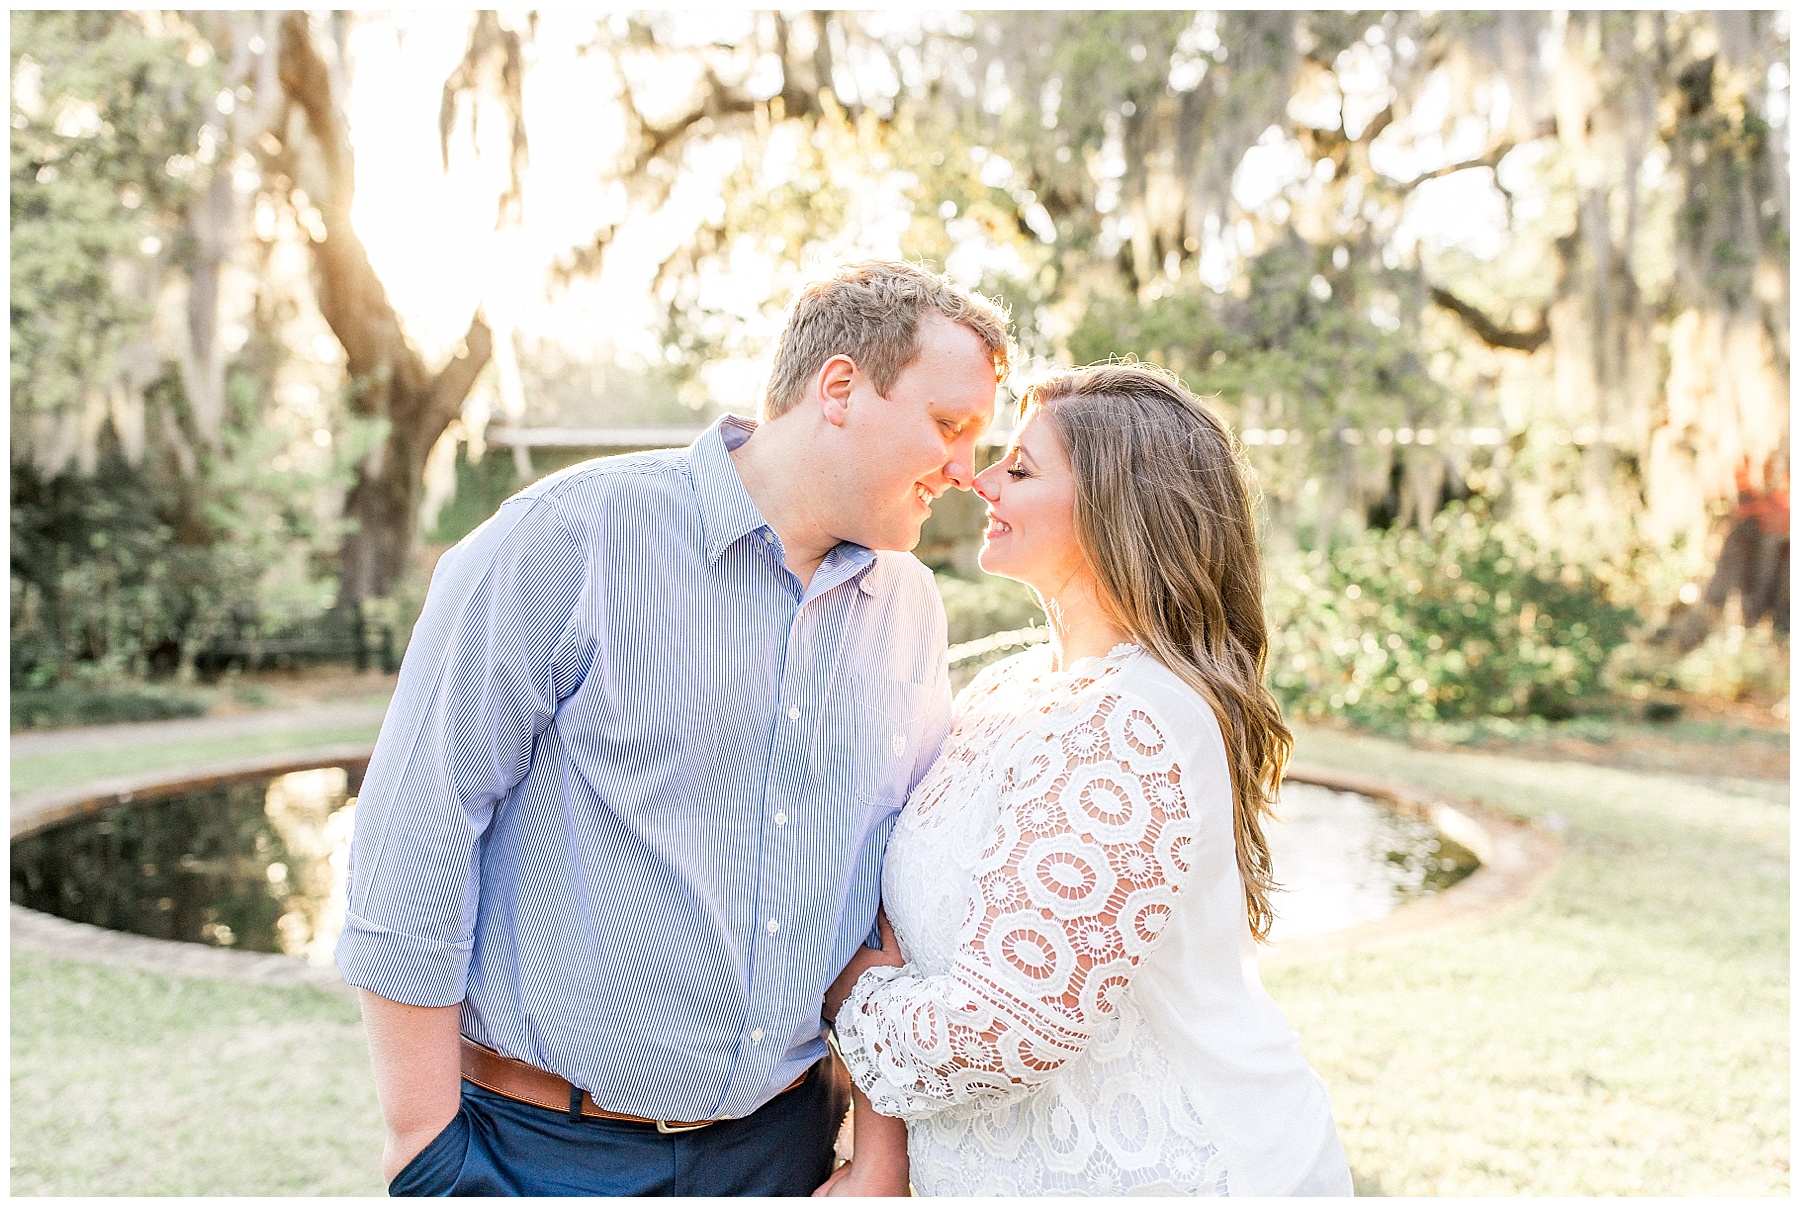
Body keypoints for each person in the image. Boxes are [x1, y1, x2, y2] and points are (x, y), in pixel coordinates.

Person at [334, 260, 1011, 1196]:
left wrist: (877, 1155)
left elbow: (887, 891)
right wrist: (426, 1146)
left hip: (787, 1151)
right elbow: (419, 826)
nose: (965, 471)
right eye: (950, 427)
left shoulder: (908, 608)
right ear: (842, 387)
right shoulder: (567, 539)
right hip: (539, 1153)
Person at [818, 363, 1353, 1196]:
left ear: (1115, 509)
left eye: (1020, 469)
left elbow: (1001, 1033)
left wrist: (845, 988)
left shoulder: (1132, 724)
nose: (980, 480)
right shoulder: (1012, 686)